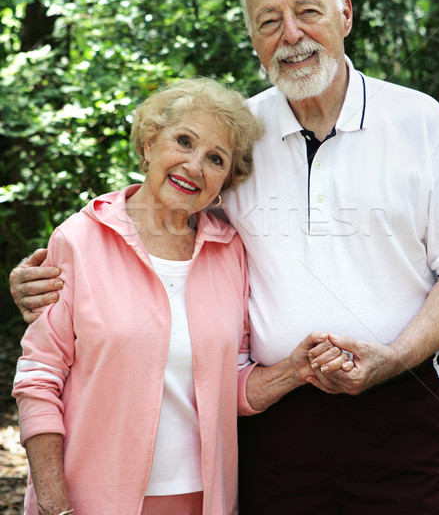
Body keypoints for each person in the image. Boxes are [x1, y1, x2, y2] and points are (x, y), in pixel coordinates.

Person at [11, 0, 439, 515]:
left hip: (402, 406)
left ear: (345, 14)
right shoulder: (238, 133)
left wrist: (392, 357)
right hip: (272, 419)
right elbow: (160, 211)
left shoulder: (420, 121)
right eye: (269, 21)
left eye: (308, 11)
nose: (291, 35)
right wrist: (56, 274)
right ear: (253, 39)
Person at [12, 77, 327, 515]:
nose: (194, 166)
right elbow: (39, 378)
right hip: (90, 500)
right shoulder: (79, 239)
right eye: (184, 141)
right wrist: (53, 503)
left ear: (224, 182)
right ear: (148, 143)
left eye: (215, 158)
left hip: (203, 500)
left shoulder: (229, 251)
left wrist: (294, 370)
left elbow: (225, 384)